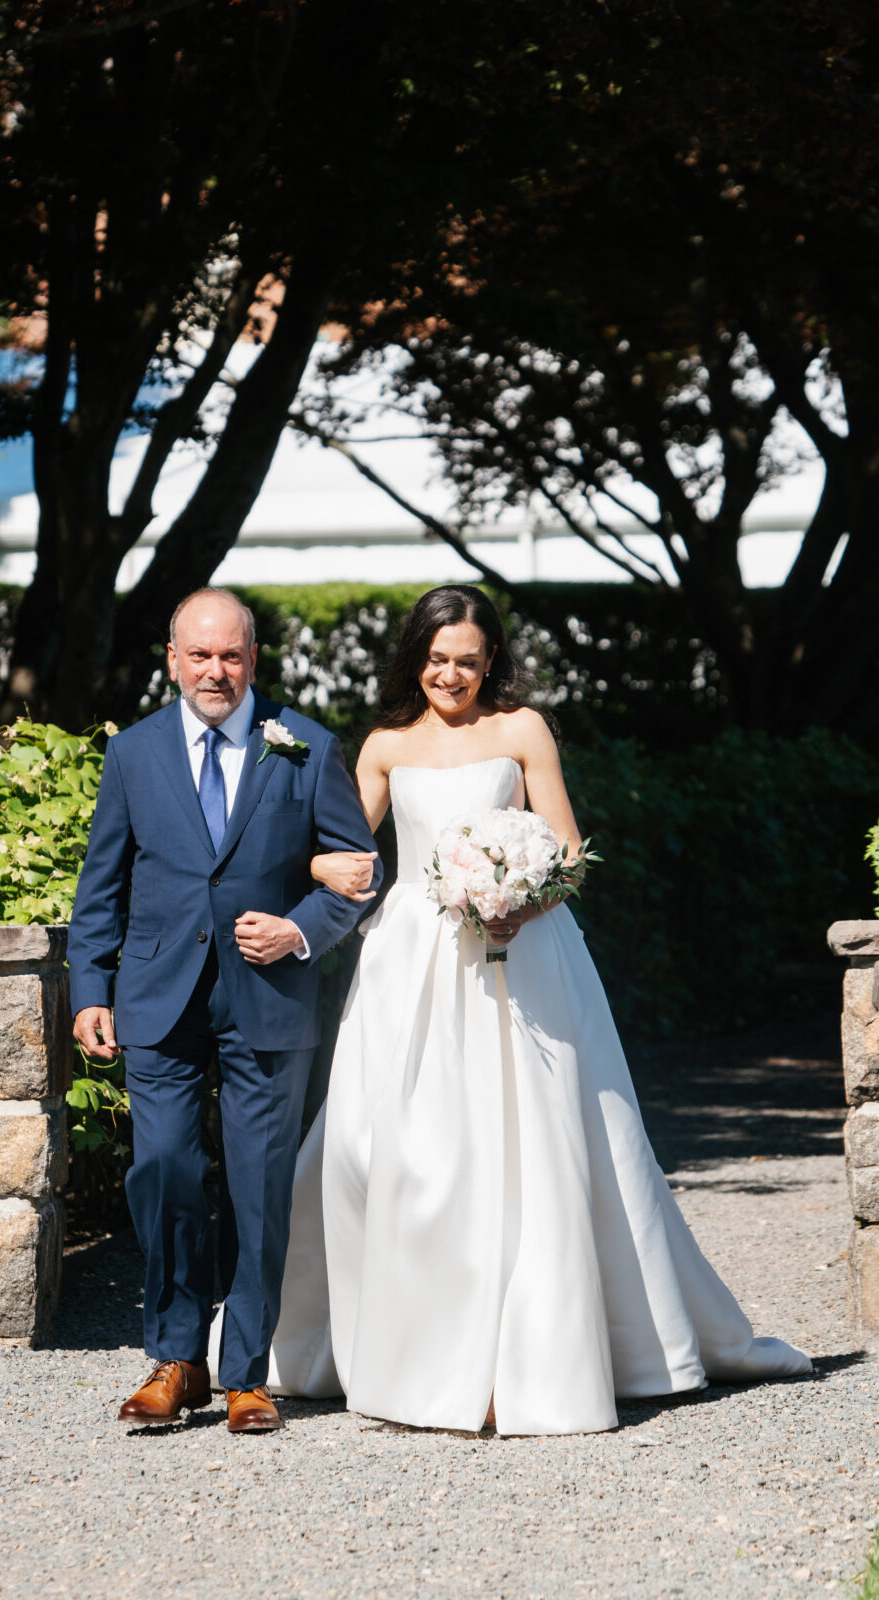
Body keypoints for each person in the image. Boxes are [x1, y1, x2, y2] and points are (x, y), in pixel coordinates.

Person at [245, 583, 810, 1436]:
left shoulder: (522, 732)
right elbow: (340, 855)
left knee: (535, 1139)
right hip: (410, 958)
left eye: (468, 661)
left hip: (522, 955)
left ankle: (539, 1356)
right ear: (415, 659)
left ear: (490, 662)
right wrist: (325, 876)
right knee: (387, 1144)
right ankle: (401, 1351)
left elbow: (572, 849)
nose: (451, 675)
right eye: (437, 660)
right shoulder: (384, 746)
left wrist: (522, 897)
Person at [67, 588, 381, 1434]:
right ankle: (175, 1361)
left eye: (231, 655)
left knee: (258, 1187)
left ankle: (246, 1372)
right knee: (163, 1169)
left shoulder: (305, 745)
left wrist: (298, 930)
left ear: (253, 660)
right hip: (157, 997)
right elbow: (102, 885)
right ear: (172, 660)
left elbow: (359, 870)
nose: (216, 671)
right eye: (199, 655)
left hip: (269, 998)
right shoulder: (133, 754)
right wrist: (90, 990)